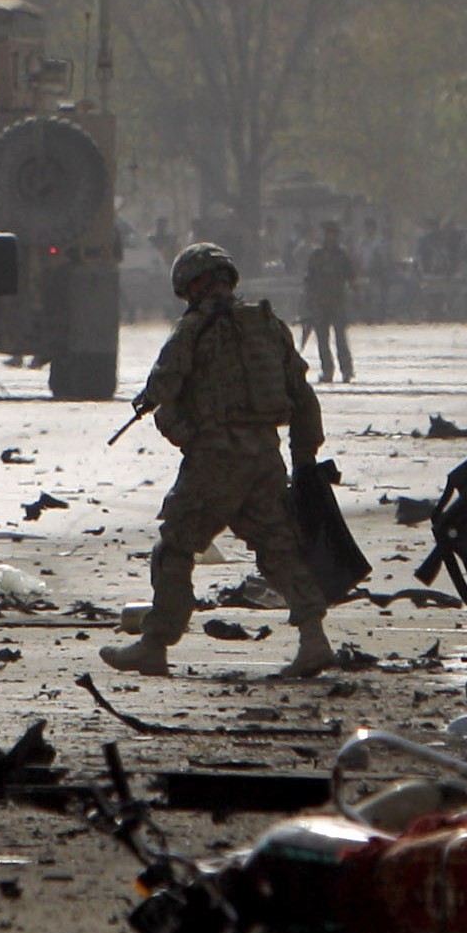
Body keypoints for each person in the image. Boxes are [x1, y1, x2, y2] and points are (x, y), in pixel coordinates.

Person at [104, 244, 337, 679]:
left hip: (216, 458)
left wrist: (168, 418)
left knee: (176, 546)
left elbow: (165, 386)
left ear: (192, 285)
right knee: (279, 547)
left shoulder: (193, 329)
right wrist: (304, 458)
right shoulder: (268, 325)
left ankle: (154, 645)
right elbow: (303, 396)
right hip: (264, 454)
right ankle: (314, 639)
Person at [300, 221, 360, 384]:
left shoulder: (342, 256)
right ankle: (327, 371)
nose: (330, 237)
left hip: (337, 302)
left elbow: (352, 277)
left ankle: (346, 370)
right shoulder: (316, 256)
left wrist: (358, 296)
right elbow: (309, 279)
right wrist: (308, 300)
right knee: (322, 340)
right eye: (328, 233)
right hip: (320, 303)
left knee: (341, 338)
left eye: (333, 234)